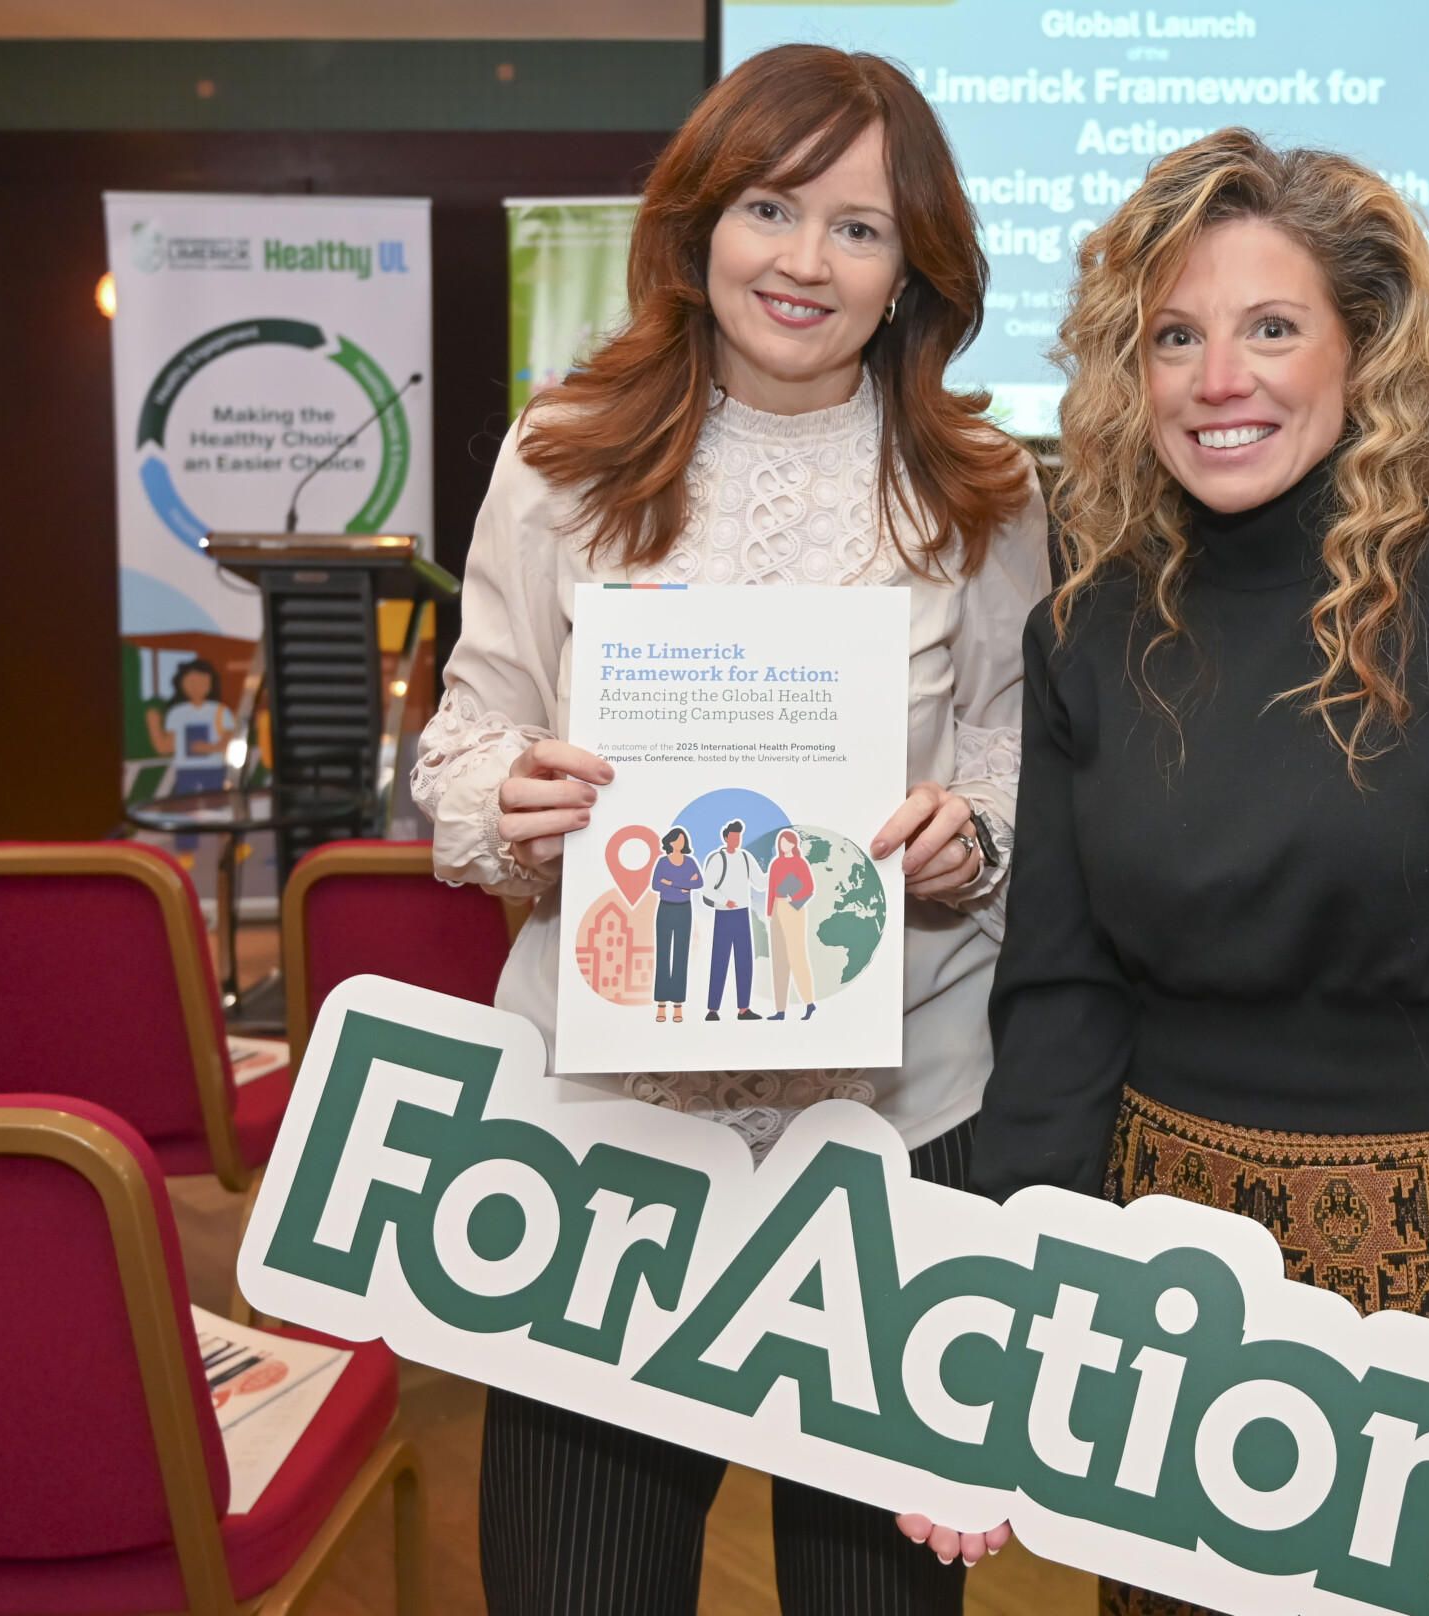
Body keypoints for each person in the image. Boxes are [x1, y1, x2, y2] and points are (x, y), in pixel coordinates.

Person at [973, 129, 1429, 1611]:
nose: (1219, 379)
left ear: (1365, 351)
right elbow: (1060, 992)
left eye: (1270, 328)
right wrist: (1019, 1299)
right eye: (1176, 337)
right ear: (1130, 372)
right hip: (1163, 1273)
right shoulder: (1084, 632)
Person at [409, 42, 1048, 1616]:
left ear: (913, 271)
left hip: (892, 1144)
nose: (806, 260)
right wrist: (512, 796)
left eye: (860, 226)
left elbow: (1016, 758)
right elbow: (465, 731)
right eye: (773, 206)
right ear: (699, 226)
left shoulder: (982, 488)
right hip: (604, 1153)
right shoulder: (561, 459)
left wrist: (974, 835)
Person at [699, 817, 765, 1020]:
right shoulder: (718, 858)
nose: (737, 840)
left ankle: (743, 1009)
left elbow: (760, 882)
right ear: (726, 837)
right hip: (724, 914)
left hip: (742, 913)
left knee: (744, 960)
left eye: (739, 836)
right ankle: (713, 1009)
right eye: (734, 836)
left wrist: (781, 874)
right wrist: (724, 901)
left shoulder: (745, 857)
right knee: (720, 960)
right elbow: (707, 888)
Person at [149, 658, 236, 795]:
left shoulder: (220, 711)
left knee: (215, 808)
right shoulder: (176, 713)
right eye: (192, 682)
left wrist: (208, 748)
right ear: (181, 683)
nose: (197, 687)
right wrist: (153, 725)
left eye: (203, 683)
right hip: (185, 771)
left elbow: (231, 743)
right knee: (186, 810)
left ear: (211, 684)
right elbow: (165, 747)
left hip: (213, 770)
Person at [767, 827, 820, 1020]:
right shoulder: (776, 863)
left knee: (797, 956)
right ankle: (780, 1010)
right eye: (781, 841)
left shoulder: (800, 862)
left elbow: (809, 886)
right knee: (779, 960)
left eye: (787, 841)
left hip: (794, 909)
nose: (783, 844)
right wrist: (769, 912)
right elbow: (772, 888)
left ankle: (809, 1003)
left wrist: (794, 898)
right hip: (776, 910)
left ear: (793, 844)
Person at [650, 826, 701, 1022]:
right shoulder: (663, 861)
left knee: (681, 954)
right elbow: (656, 884)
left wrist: (672, 883)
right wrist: (683, 883)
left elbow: (699, 882)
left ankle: (678, 1005)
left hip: (684, 909)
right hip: (665, 908)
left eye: (683, 840)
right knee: (663, 953)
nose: (681, 842)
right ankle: (661, 1004)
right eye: (677, 839)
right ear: (670, 842)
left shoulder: (690, 862)